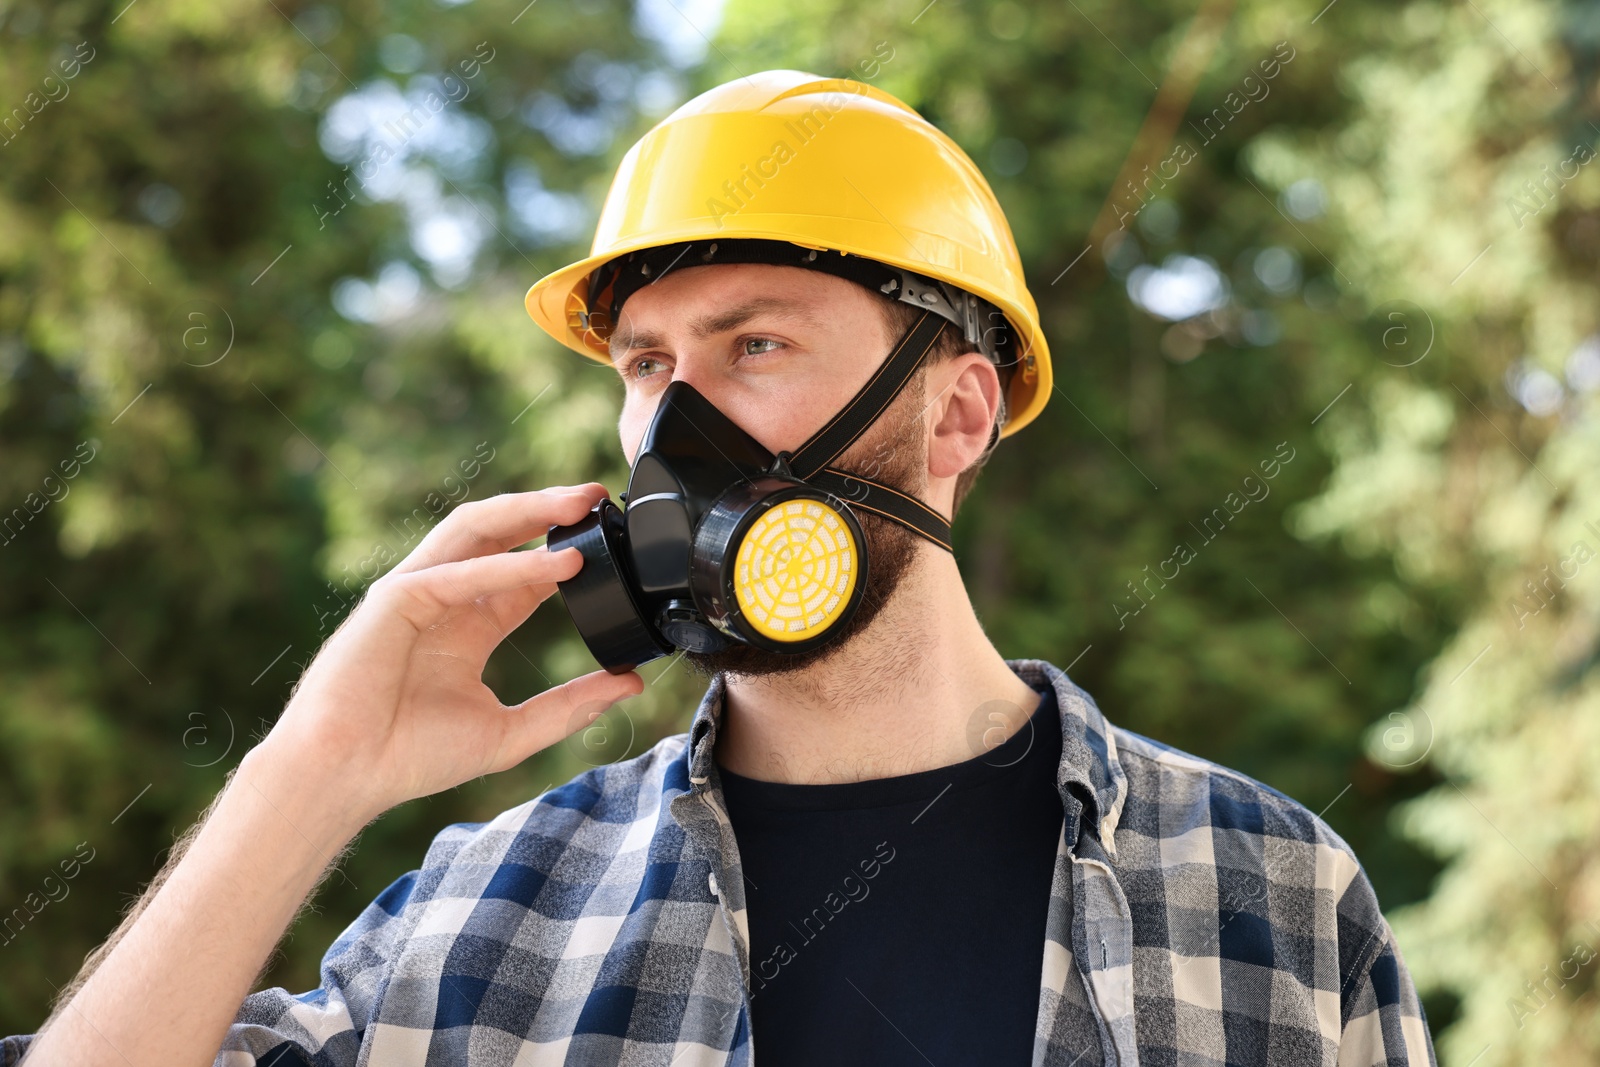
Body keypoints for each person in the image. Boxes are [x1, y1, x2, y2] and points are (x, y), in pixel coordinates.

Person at [4, 70, 1436, 1067]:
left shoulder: (1271, 896)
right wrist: (308, 769)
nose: (677, 427)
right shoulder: (490, 916)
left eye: (755, 344)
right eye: (647, 366)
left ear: (958, 411)